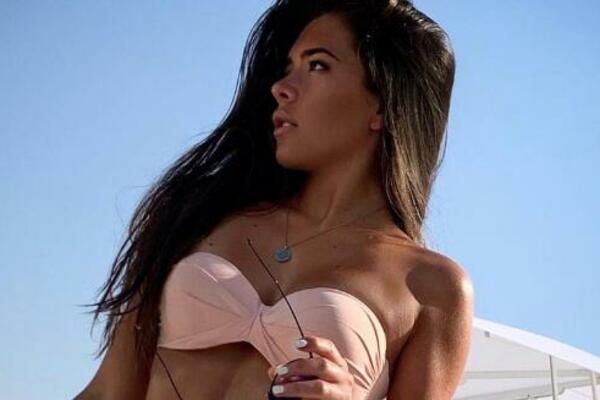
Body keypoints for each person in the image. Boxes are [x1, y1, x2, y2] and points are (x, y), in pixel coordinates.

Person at [74, 0, 474, 399]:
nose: (280, 88)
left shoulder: (433, 288)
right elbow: (107, 393)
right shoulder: (196, 213)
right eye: (288, 67)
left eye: (317, 65)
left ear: (384, 103)